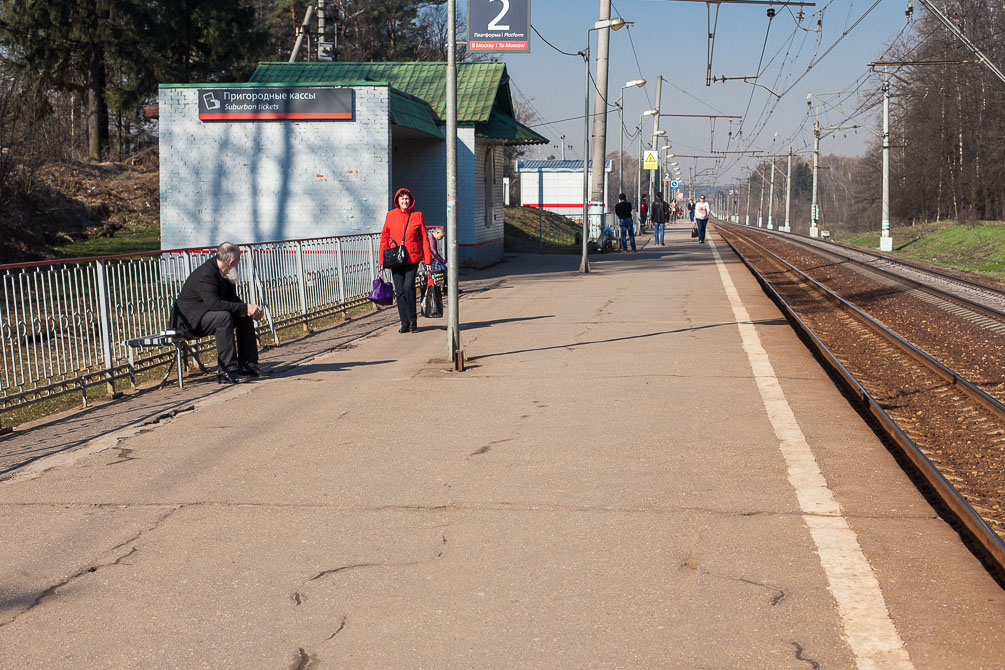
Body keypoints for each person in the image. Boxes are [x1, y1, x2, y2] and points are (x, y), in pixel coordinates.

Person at [171, 242, 264, 384]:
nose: (238, 264)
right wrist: (245, 308)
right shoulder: (207, 274)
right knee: (223, 318)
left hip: (205, 315)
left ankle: (248, 366)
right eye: (238, 261)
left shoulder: (226, 272)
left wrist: (249, 310)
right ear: (231, 261)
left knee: (243, 317)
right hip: (188, 321)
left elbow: (232, 300)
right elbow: (215, 304)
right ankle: (227, 372)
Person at [380, 188, 432, 333]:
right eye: (402, 198)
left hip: (412, 258)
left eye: (407, 198)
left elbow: (424, 239)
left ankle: (413, 321)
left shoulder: (417, 215)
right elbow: (384, 237)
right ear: (397, 200)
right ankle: (404, 323)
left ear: (411, 200)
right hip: (395, 259)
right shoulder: (390, 216)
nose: (405, 201)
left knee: (409, 287)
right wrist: (381, 260)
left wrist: (428, 261)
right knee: (400, 290)